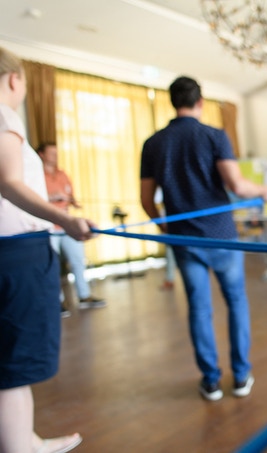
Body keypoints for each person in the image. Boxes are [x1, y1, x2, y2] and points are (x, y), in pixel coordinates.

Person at [140, 75, 267, 402]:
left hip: (185, 241)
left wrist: (167, 230)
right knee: (236, 303)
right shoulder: (214, 135)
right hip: (223, 238)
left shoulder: (153, 143)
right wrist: (266, 191)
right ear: (200, 102)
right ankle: (241, 376)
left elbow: (146, 201)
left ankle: (211, 381)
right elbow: (238, 186)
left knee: (199, 310)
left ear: (174, 102)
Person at [0, 46, 92, 453]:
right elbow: (8, 182)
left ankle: (26, 439)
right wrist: (66, 219)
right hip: (16, 254)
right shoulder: (5, 114)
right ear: (14, 79)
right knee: (13, 369)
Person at [36, 142, 106, 313]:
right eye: (51, 153)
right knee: (52, 265)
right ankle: (57, 302)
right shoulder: (36, 175)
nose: (55, 157)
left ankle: (84, 295)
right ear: (42, 155)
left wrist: (73, 201)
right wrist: (52, 197)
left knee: (77, 261)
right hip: (49, 227)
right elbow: (30, 199)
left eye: (56, 153)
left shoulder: (62, 174)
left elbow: (70, 194)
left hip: (68, 226)